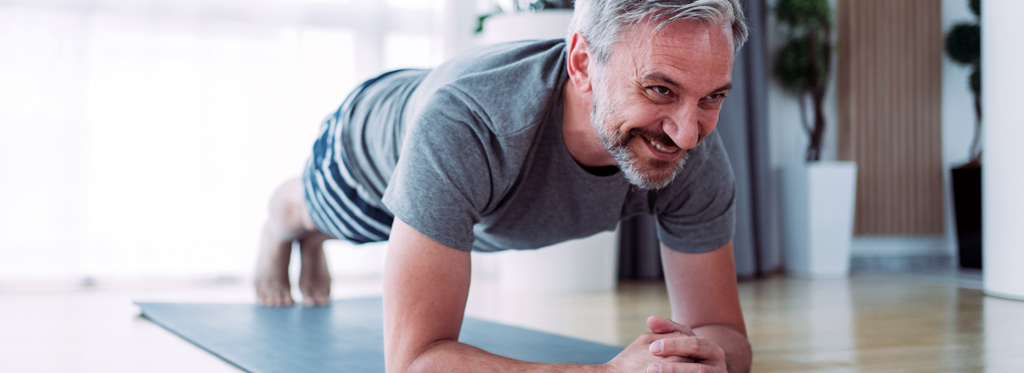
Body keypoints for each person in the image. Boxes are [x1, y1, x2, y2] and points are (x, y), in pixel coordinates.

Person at [255, 0, 752, 371]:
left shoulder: (693, 152)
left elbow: (725, 332)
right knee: (324, 215)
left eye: (712, 97)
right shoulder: (467, 124)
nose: (687, 134)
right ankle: (285, 225)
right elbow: (414, 363)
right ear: (583, 65)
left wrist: (698, 358)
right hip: (367, 147)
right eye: (659, 89)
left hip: (464, 166)